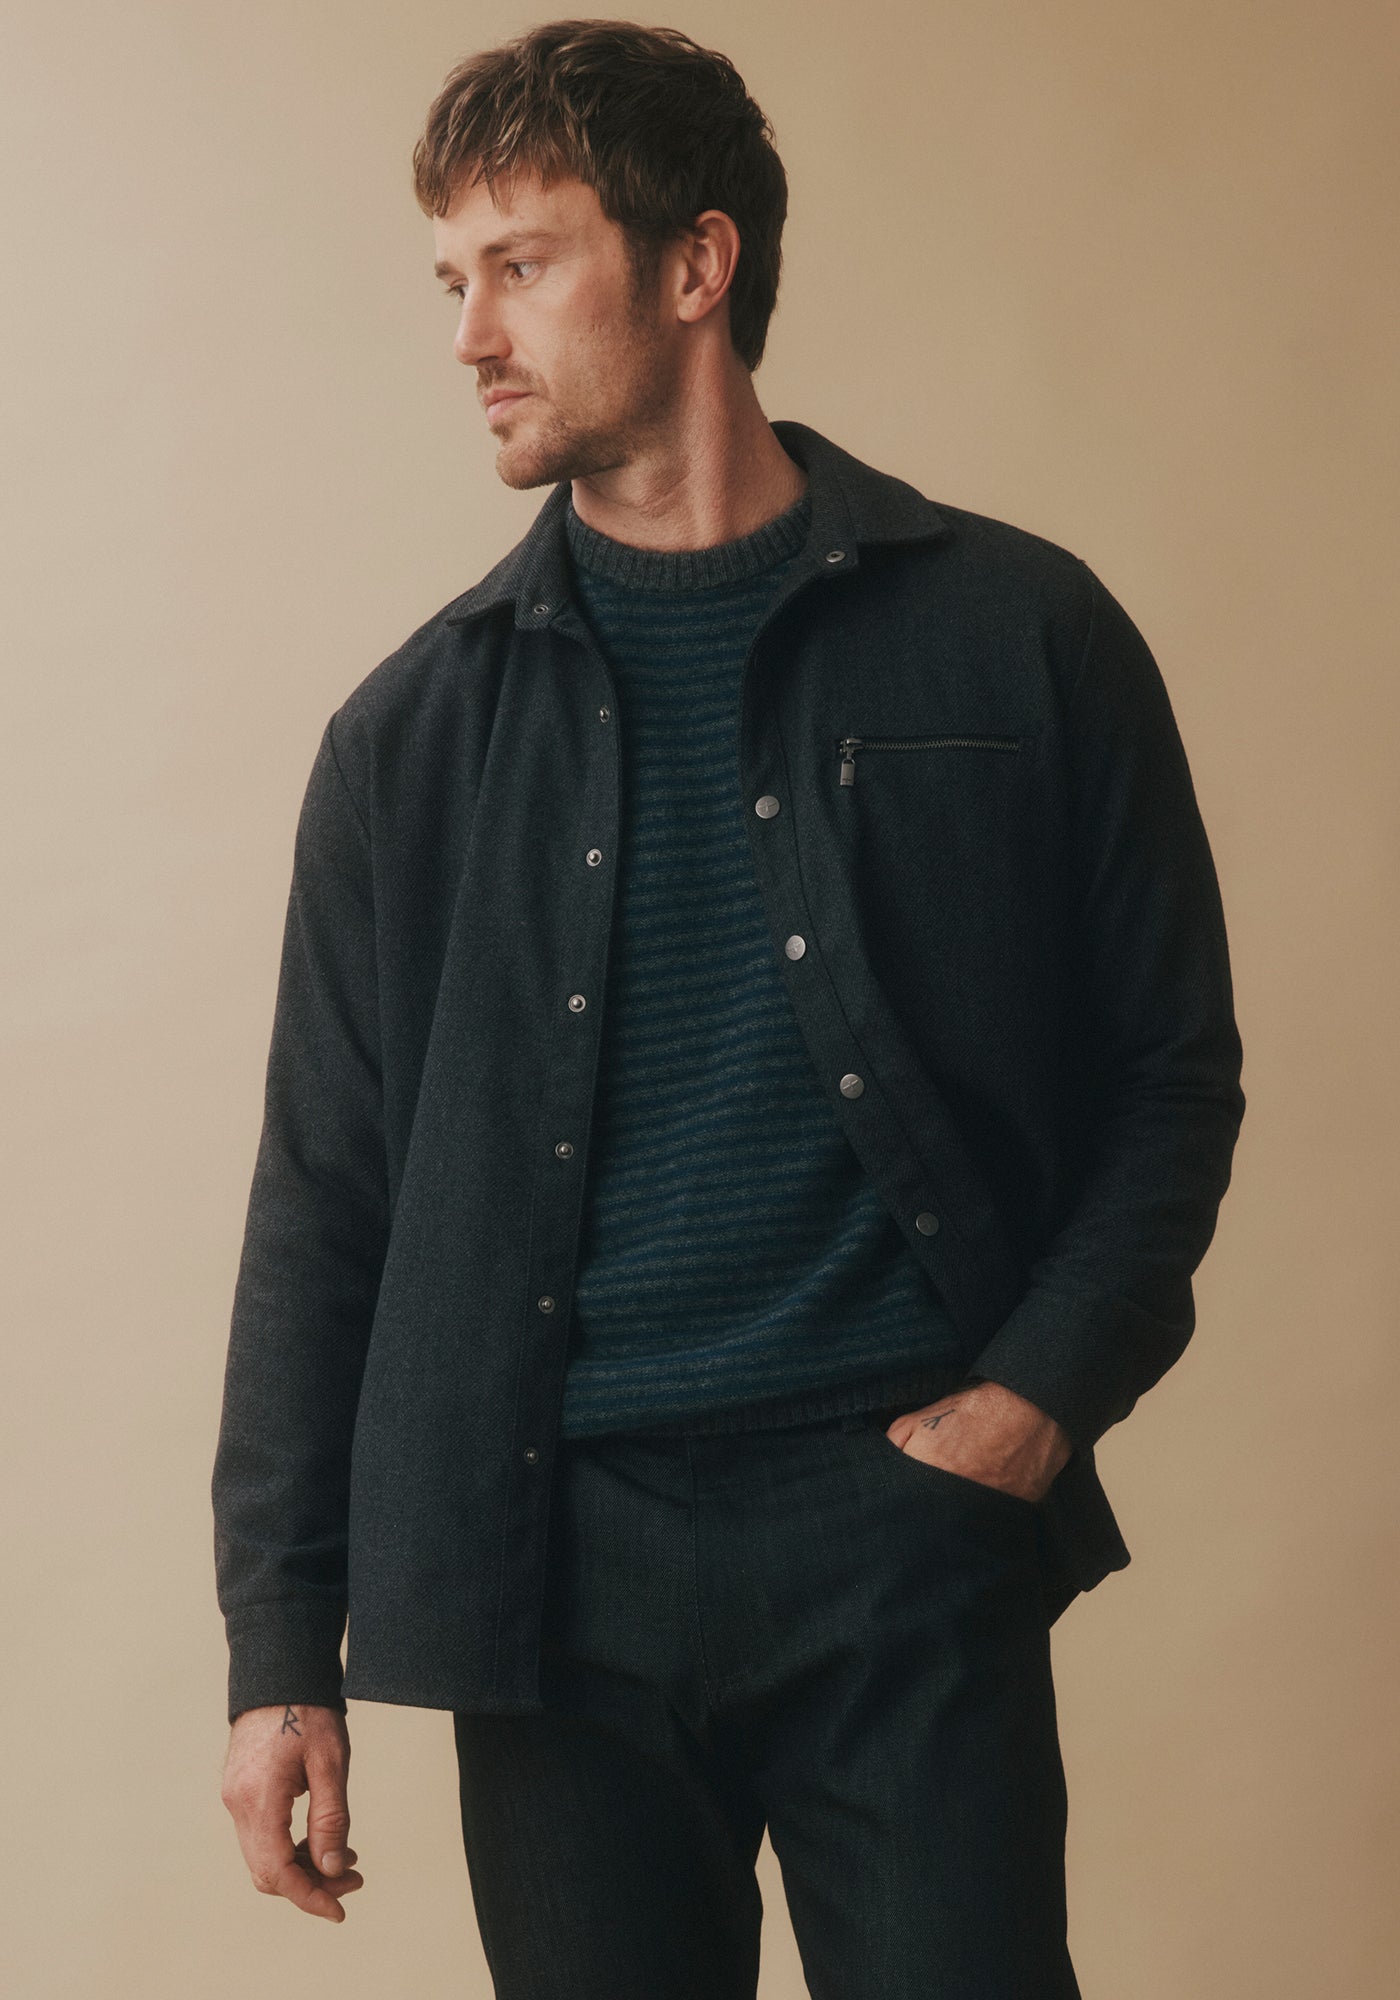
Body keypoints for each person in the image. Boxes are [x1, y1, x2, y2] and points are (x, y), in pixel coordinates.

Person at [212, 20, 1245, 1997]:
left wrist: (1040, 1395)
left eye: (522, 264)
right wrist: (280, 1650)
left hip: (904, 1537)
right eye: (451, 280)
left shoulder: (1021, 634)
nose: (469, 334)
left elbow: (1169, 1073)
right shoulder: (407, 743)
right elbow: (322, 1207)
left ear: (697, 264)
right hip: (549, 1574)